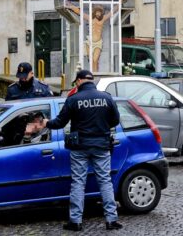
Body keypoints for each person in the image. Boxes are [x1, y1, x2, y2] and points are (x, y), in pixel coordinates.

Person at [28, 70, 122, 232]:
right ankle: (111, 220)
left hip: (80, 147)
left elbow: (59, 122)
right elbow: (115, 120)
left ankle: (76, 221)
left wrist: (44, 123)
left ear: (79, 81)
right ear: (91, 81)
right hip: (101, 145)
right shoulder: (106, 98)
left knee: (78, 183)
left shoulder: (73, 99)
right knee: (105, 181)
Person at [66, 2, 120, 72]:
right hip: (89, 42)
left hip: (98, 42)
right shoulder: (89, 18)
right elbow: (79, 12)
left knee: (95, 60)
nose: (98, 14)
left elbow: (111, 12)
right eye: (97, 12)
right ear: (94, 12)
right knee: (91, 60)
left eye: (100, 12)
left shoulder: (103, 18)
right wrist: (71, 6)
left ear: (101, 13)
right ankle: (92, 74)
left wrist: (119, 4)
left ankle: (95, 74)